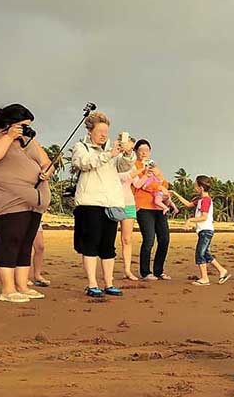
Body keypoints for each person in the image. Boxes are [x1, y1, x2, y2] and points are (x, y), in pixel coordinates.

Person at [0, 103, 52, 303]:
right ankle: (7, 289)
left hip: (33, 201)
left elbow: (46, 162)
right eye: (22, 125)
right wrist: (9, 136)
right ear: (10, 123)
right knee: (10, 241)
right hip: (7, 200)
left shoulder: (29, 141)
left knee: (25, 243)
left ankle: (22, 285)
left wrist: (46, 172)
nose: (26, 129)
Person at [69, 110, 125, 298]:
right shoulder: (81, 146)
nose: (103, 135)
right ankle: (92, 283)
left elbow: (125, 167)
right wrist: (108, 154)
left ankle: (109, 283)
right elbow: (84, 163)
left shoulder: (113, 150)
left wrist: (127, 153)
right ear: (90, 130)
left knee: (108, 245)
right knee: (90, 244)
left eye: (106, 132)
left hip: (111, 203)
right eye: (100, 131)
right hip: (89, 203)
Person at [131, 139, 173, 280]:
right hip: (143, 206)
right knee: (149, 239)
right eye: (141, 150)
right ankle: (145, 271)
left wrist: (159, 176)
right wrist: (155, 183)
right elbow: (141, 186)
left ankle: (158, 270)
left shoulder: (154, 166)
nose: (144, 153)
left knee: (164, 238)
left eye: (147, 150)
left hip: (159, 206)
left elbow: (165, 185)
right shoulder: (134, 166)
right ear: (136, 151)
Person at [183, 175, 230, 285]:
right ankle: (222, 271)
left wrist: (189, 220)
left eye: (196, 185)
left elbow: (204, 217)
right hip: (203, 231)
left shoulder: (206, 200)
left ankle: (205, 278)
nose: (194, 186)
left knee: (200, 253)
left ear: (201, 188)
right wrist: (174, 195)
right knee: (205, 253)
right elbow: (188, 204)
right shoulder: (200, 200)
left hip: (206, 231)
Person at [114, 132, 139, 281]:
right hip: (113, 202)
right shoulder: (113, 159)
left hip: (129, 202)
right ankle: (107, 266)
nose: (127, 145)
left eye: (130, 143)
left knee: (127, 239)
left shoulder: (132, 162)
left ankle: (128, 270)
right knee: (109, 237)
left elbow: (136, 182)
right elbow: (121, 176)